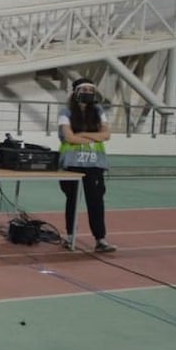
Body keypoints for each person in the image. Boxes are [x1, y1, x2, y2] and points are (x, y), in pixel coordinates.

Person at [58, 78, 115, 253]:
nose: (88, 93)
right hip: (72, 163)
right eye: (84, 90)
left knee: (96, 201)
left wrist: (81, 133)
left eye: (91, 90)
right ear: (75, 92)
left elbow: (106, 135)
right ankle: (70, 237)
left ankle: (100, 239)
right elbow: (69, 138)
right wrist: (93, 135)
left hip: (94, 163)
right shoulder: (66, 112)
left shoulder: (98, 111)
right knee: (72, 200)